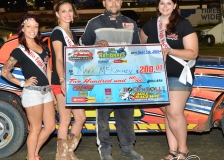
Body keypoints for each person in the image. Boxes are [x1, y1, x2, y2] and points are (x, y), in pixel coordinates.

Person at [79, 0, 144, 160]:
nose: (113, 3)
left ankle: (127, 149)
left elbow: (137, 50)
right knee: (102, 119)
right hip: (103, 81)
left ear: (121, 2)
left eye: (117, 0)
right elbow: (80, 48)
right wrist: (95, 47)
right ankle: (105, 152)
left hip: (126, 80)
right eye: (110, 0)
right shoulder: (94, 23)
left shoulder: (131, 24)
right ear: (104, 2)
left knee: (127, 117)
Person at [140, 0, 198, 160]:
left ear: (175, 6)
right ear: (158, 6)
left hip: (178, 74)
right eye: (162, 3)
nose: (165, 6)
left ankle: (183, 150)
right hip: (156, 76)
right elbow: (141, 45)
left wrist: (170, 50)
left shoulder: (183, 25)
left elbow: (193, 53)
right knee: (168, 113)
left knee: (173, 112)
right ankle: (173, 151)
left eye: (168, 3)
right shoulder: (150, 25)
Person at [1, 14, 55, 160]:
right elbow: (5, 71)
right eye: (29, 26)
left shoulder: (43, 46)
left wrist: (52, 92)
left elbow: (48, 69)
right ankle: (32, 157)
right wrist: (22, 83)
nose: (32, 29)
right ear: (23, 29)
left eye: (35, 26)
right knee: (36, 128)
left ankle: (33, 153)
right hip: (33, 94)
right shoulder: (20, 50)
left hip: (46, 93)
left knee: (50, 126)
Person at [51, 1, 86, 160]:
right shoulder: (57, 33)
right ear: (57, 14)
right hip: (62, 80)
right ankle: (61, 155)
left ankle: (68, 151)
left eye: (70, 10)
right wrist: (62, 79)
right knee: (65, 119)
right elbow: (58, 59)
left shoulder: (72, 33)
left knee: (80, 118)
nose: (67, 14)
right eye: (63, 11)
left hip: (74, 81)